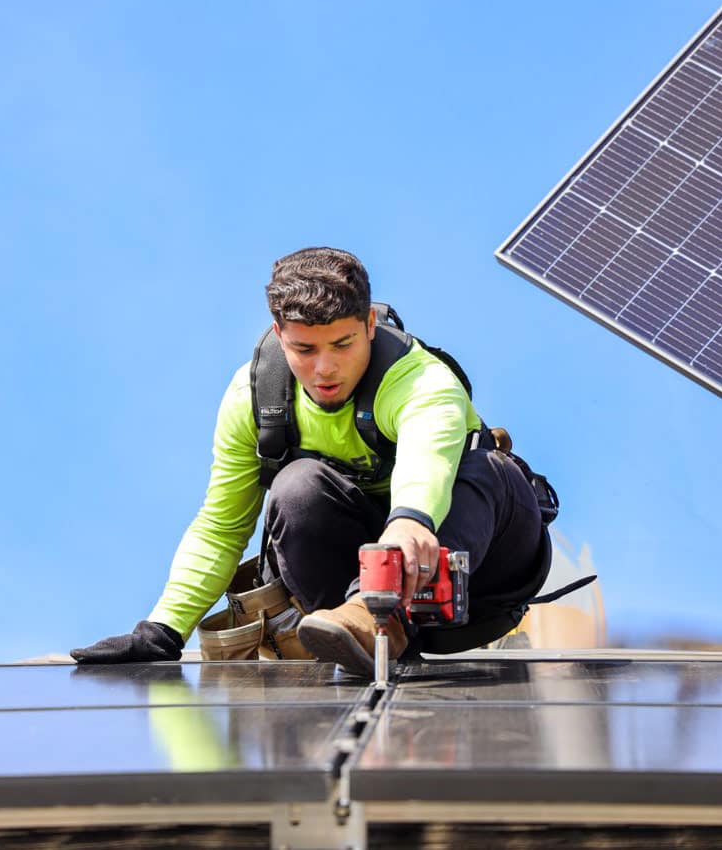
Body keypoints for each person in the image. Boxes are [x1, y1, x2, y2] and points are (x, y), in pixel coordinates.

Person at [71, 247, 546, 673]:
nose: (325, 369)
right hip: (353, 613)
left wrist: (410, 520)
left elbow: (428, 461)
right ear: (279, 335)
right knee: (295, 486)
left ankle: (373, 613)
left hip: (482, 580)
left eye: (343, 345)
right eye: (304, 349)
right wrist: (162, 631)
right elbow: (222, 525)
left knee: (487, 470)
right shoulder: (256, 400)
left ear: (369, 325)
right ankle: (370, 627)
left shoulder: (422, 382)